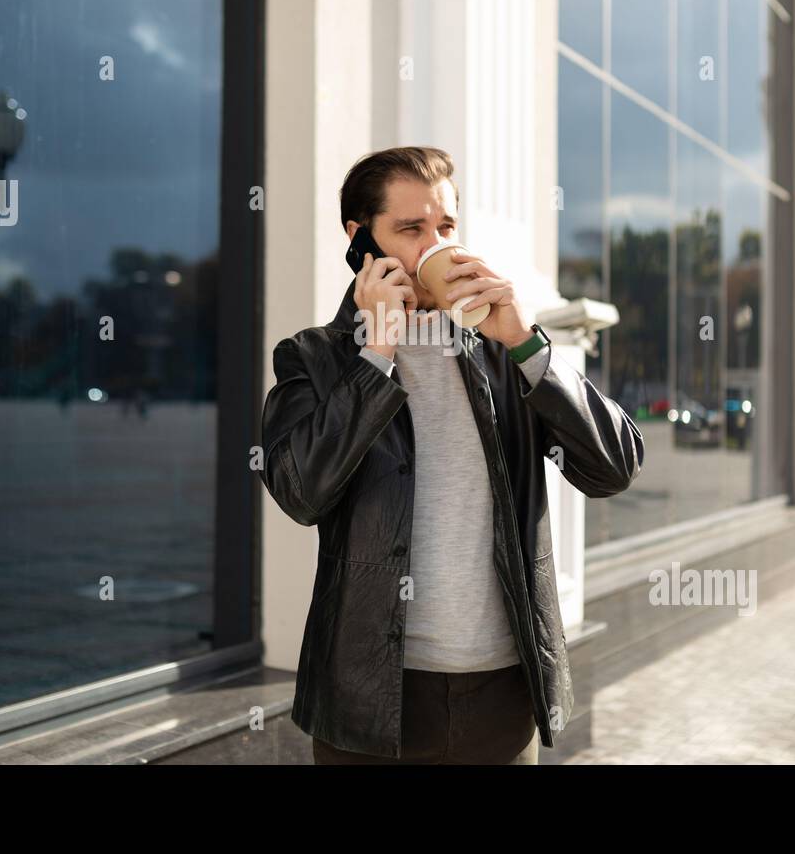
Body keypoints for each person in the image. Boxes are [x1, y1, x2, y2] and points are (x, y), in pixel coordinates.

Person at [261, 146, 644, 764]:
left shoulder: (502, 353)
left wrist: (525, 342)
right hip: (368, 697)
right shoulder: (315, 357)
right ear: (362, 242)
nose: (435, 244)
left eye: (445, 228)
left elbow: (613, 468)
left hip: (502, 696)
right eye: (410, 229)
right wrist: (376, 353)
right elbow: (300, 493)